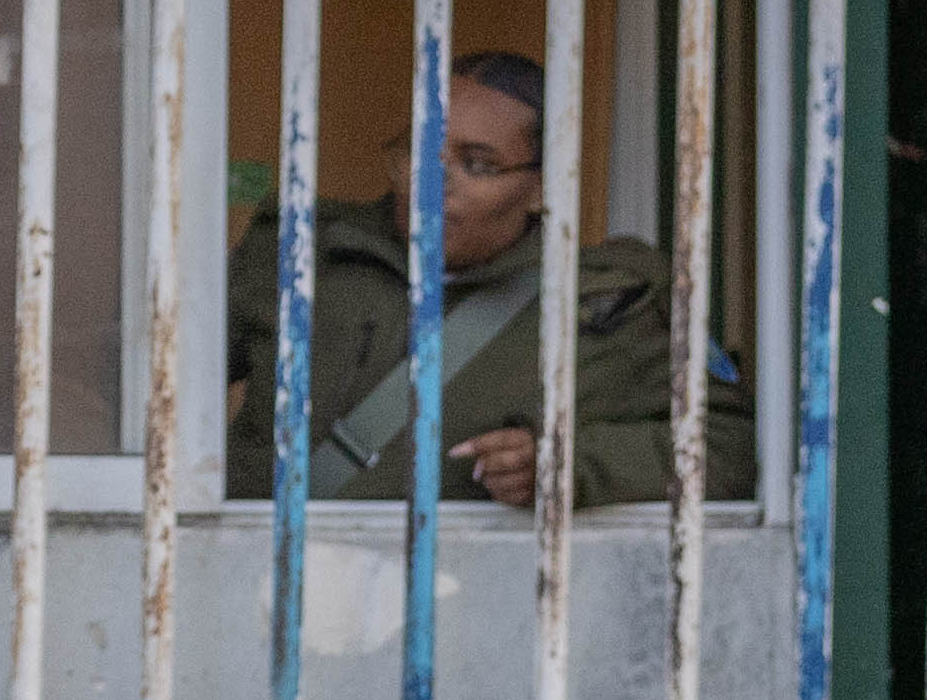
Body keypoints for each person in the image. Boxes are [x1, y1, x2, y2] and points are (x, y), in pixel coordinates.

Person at [222, 49, 747, 509]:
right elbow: (172, 378)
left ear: (541, 186)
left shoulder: (603, 303)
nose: (434, 181)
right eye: (421, 152)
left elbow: (730, 448)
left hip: (471, 586)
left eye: (477, 165)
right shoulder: (301, 255)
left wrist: (567, 464)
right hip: (265, 577)